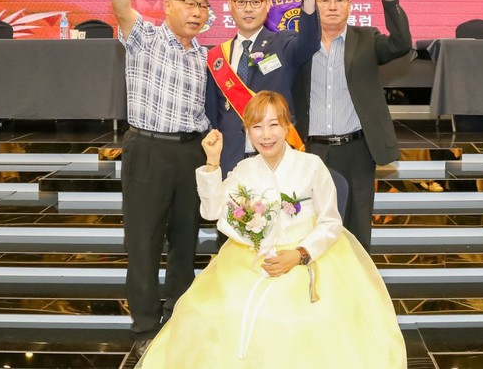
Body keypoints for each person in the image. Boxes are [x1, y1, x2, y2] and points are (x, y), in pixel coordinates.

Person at [138, 91, 407, 368]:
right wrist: (213, 162)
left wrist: (300, 254)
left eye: (274, 124)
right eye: (257, 127)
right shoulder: (244, 169)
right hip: (250, 258)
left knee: (292, 318)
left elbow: (331, 222)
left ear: (287, 126)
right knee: (211, 309)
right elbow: (212, 211)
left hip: (306, 256)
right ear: (247, 131)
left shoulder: (311, 165)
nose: (266, 135)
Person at [111, 0, 209, 355]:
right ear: (167, 6)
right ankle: (145, 327)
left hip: (191, 153)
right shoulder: (145, 38)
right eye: (188, 2)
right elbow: (121, 7)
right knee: (144, 242)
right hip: (148, 150)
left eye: (203, 5)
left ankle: (179, 316)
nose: (197, 11)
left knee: (186, 241)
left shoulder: (205, 56)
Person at [292, 0, 412, 252]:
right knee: (312, 227)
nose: (332, 6)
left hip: (357, 149)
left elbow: (401, 43)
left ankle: (358, 279)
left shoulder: (366, 38)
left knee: (357, 229)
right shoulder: (299, 45)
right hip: (312, 150)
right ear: (313, 4)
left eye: (339, 0)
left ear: (349, 5)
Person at [205, 0, 320, 177]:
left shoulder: (284, 43)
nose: (248, 9)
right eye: (241, 2)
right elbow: (213, 115)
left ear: (267, 4)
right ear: (230, 5)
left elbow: (310, 42)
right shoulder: (217, 57)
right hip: (231, 160)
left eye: (256, 2)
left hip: (278, 159)